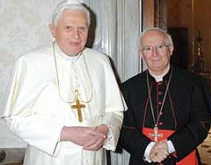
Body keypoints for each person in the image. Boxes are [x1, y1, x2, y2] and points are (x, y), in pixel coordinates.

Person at [1, 1, 126, 165]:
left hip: (94, 158)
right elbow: (15, 118)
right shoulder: (30, 62)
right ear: (53, 30)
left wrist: (105, 130)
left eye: (82, 28)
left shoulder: (101, 62)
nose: (76, 35)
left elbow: (115, 110)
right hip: (50, 159)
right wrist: (65, 133)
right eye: (68, 28)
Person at [120, 27, 211, 165]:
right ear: (141, 54)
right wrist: (149, 149)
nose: (154, 54)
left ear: (170, 49)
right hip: (143, 158)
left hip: (183, 156)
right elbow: (123, 128)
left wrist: (170, 146)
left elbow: (201, 123)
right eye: (148, 48)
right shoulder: (128, 88)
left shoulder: (193, 83)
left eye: (160, 46)